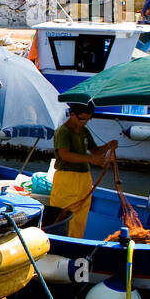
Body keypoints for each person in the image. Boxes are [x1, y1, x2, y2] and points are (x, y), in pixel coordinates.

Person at [49, 102, 117, 238]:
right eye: (82, 119)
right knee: (64, 212)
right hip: (67, 180)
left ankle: (76, 241)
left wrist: (109, 145)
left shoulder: (84, 131)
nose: (84, 122)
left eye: (87, 119)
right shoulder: (63, 131)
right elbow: (64, 154)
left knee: (81, 215)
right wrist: (91, 159)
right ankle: (60, 241)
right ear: (73, 115)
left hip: (84, 180)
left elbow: (95, 151)